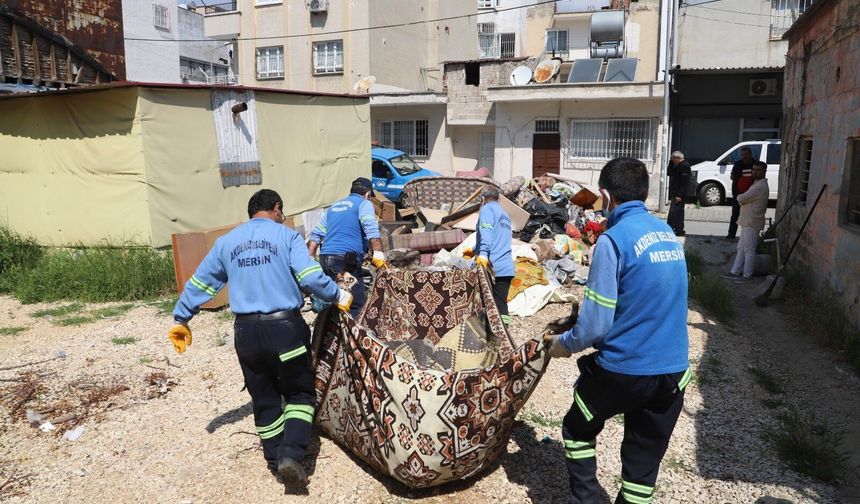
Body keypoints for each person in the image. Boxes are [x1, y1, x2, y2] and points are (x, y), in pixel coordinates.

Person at [166, 189, 353, 491]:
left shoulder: (226, 243)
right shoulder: (286, 236)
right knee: (299, 394)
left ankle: (273, 459)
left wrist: (181, 318)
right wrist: (338, 294)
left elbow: (201, 283)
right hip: (285, 330)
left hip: (246, 334)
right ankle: (291, 455)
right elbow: (308, 276)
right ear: (276, 208)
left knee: (264, 397)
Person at [544, 158, 690, 504]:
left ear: (606, 196)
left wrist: (564, 344)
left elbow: (595, 326)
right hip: (673, 375)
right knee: (642, 464)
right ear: (645, 193)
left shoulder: (612, 242)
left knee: (578, 428)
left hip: (625, 372)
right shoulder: (668, 234)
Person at [307, 177, 387, 317]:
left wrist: (309, 258)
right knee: (356, 303)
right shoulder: (364, 204)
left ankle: (337, 333)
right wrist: (379, 255)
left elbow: (316, 234)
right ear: (368, 194)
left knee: (340, 299)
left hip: (326, 260)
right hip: (344, 262)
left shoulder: (334, 207)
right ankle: (354, 336)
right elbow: (371, 230)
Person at [475, 186, 514, 326]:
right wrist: (475, 249)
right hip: (507, 265)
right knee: (501, 304)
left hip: (493, 267)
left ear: (483, 199)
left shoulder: (487, 209)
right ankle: (505, 335)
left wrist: (483, 254)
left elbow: (487, 231)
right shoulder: (504, 215)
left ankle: (496, 336)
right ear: (499, 199)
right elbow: (498, 238)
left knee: (486, 303)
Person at [725, 161, 769, 281]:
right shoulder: (755, 184)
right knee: (741, 248)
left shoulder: (760, 186)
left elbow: (742, 197)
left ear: (764, 171)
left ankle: (747, 275)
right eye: (753, 169)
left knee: (749, 250)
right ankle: (736, 271)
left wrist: (740, 198)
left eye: (758, 170)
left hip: (752, 222)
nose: (755, 172)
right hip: (747, 220)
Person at [727, 147, 756, 240]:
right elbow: (732, 176)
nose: (743, 157)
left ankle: (748, 237)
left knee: (749, 216)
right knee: (735, 215)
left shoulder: (755, 165)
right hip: (738, 194)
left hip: (750, 195)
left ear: (750, 154)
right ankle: (731, 235)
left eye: (745, 155)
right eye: (742, 155)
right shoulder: (738, 164)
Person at [666, 150, 691, 236]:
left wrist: (679, 195)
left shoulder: (685, 166)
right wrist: (670, 163)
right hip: (675, 193)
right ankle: (678, 230)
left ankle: (673, 230)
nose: (672, 161)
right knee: (677, 213)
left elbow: (684, 183)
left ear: (677, 158)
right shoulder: (677, 165)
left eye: (673, 159)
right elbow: (669, 173)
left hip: (679, 195)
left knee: (674, 213)